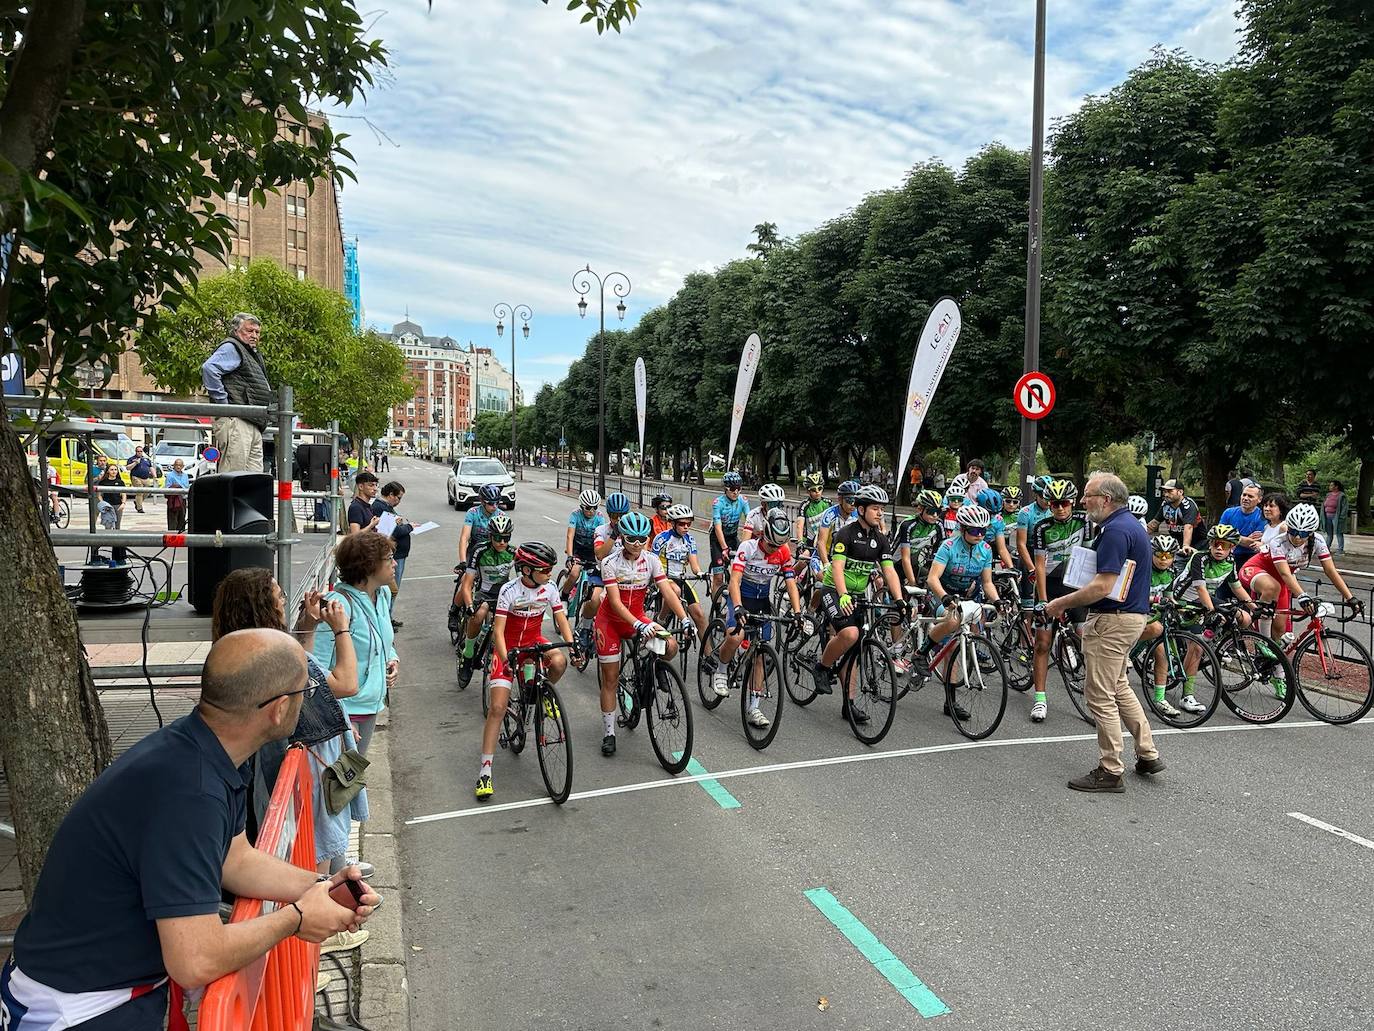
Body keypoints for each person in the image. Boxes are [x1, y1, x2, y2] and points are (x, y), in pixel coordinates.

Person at [3, 628, 378, 1029]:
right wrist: (298, 919)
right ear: (279, 708)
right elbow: (195, 959)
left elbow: (235, 861)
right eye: (307, 690)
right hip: (80, 1008)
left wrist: (321, 886)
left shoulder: (209, 750)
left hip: (103, 988)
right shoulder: (192, 793)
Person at [210, 570, 366, 905]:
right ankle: (323, 921)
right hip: (302, 774)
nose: (285, 600)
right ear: (263, 607)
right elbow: (345, 682)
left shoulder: (240, 651)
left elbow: (303, 676)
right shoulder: (276, 655)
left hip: (271, 769)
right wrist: (341, 628)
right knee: (313, 850)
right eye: (279, 596)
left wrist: (306, 624)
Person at [1044, 472, 1163, 793]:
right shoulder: (1131, 526)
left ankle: (1110, 770)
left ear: (1106, 499)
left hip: (1112, 620)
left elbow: (1102, 585)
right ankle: (1148, 752)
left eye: (1087, 495)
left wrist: (1059, 603)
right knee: (1119, 686)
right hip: (1130, 617)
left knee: (1098, 695)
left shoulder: (1113, 531)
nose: (1082, 501)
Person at [475, 542, 576, 801]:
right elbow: (498, 631)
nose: (550, 574)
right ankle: (485, 772)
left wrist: (571, 643)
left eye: (551, 569)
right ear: (527, 570)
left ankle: (541, 695)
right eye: (545, 570)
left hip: (533, 641)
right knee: (497, 708)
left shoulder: (550, 588)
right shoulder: (509, 590)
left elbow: (561, 618)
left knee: (559, 661)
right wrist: (505, 656)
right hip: (508, 646)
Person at [594, 511, 687, 756]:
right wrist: (639, 625)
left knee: (671, 646)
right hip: (611, 622)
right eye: (631, 539)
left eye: (642, 539)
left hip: (638, 617)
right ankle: (609, 732)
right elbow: (614, 602)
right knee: (611, 678)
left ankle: (651, 668)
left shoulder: (652, 560)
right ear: (622, 538)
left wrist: (685, 619)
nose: (637, 544)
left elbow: (667, 591)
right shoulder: (609, 563)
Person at [811, 485, 905, 723]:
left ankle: (849, 704)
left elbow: (890, 572)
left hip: (858, 594)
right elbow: (839, 569)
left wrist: (899, 599)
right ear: (861, 509)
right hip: (834, 590)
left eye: (882, 509)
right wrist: (842, 595)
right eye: (875, 508)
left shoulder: (881, 540)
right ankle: (822, 667)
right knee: (851, 633)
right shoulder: (845, 534)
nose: (879, 513)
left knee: (854, 650)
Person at [311, 532, 398, 782]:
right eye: (389, 558)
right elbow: (317, 667)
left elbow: (383, 638)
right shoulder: (339, 605)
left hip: (370, 706)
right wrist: (340, 718)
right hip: (347, 713)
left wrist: (391, 659)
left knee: (350, 782)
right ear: (369, 565)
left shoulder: (380, 596)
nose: (394, 564)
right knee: (338, 786)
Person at [712, 511, 803, 725]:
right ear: (763, 535)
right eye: (771, 545)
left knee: (760, 655)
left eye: (778, 546)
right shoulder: (748, 548)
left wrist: (798, 612)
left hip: (762, 602)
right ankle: (721, 669)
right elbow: (734, 580)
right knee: (735, 637)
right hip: (742, 598)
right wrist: (738, 607)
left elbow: (791, 583)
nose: (774, 550)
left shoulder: (782, 552)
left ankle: (753, 708)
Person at [911, 504, 1002, 716]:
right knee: (952, 621)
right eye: (974, 531)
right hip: (939, 592)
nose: (980, 535)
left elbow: (987, 583)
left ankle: (949, 703)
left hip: (964, 596)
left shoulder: (985, 550)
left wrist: (997, 601)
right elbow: (933, 578)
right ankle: (921, 653)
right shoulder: (949, 546)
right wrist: (944, 597)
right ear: (962, 529)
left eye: (983, 531)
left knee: (959, 643)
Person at [1238, 502, 1363, 647]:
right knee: (1272, 587)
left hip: (1281, 581)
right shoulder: (1279, 542)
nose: (1297, 537)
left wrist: (1350, 597)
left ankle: (1278, 667)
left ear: (1311, 532)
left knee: (1279, 629)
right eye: (1293, 531)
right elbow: (1285, 573)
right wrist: (1302, 596)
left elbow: (1330, 571)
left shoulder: (1317, 540)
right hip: (1255, 569)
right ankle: (1262, 643)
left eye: (1303, 534)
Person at [201, 312, 272, 474]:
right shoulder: (232, 347)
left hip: (252, 421)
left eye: (257, 332)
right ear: (236, 331)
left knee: (252, 479)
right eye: (249, 331)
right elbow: (209, 369)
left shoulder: (248, 352)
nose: (254, 335)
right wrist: (224, 407)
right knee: (233, 476)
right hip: (238, 420)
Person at [456, 515, 516, 688]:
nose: (502, 542)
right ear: (490, 536)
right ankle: (468, 654)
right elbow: (467, 584)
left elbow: (521, 583)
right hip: (484, 593)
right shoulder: (479, 550)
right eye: (497, 537)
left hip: (504, 595)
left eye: (506, 538)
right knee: (479, 613)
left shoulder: (513, 552)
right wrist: (468, 606)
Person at [372, 481, 412, 629]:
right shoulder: (380, 507)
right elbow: (393, 531)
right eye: (398, 498)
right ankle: (385, 619)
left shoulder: (386, 507)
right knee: (391, 589)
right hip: (394, 554)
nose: (399, 501)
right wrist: (409, 527)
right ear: (390, 495)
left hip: (398, 553)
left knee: (393, 588)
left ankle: (388, 616)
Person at [709, 472, 750, 594]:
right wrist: (724, 548)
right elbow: (717, 527)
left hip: (732, 537)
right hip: (718, 539)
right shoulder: (718, 503)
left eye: (739, 489)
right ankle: (717, 611)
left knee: (741, 571)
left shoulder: (742, 500)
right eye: (732, 489)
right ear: (726, 489)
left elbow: (749, 521)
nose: (736, 492)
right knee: (718, 578)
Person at [1218, 483, 1266, 566]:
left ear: (1259, 499)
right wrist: (1245, 539)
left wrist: (1230, 535)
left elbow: (1253, 544)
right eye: (1244, 495)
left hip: (1251, 557)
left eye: (1250, 496)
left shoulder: (1262, 517)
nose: (1245, 498)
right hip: (1227, 554)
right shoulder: (1228, 513)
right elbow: (1219, 535)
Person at [1150, 479, 1202, 553]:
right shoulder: (1166, 504)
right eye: (1165, 491)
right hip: (1177, 544)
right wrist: (1140, 534)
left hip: (1197, 544)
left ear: (1180, 492)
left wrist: (1185, 545)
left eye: (1170, 491)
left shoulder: (1188, 505)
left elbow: (1188, 527)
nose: (1166, 494)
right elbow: (1154, 523)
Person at [458, 483, 503, 562]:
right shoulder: (473, 513)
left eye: (497, 502)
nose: (495, 506)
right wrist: (462, 562)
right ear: (482, 501)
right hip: (474, 548)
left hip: (493, 550)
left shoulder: (501, 515)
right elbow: (464, 538)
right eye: (491, 503)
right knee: (466, 573)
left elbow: (503, 541)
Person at [125, 446, 156, 514]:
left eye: (141, 451)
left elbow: (151, 467)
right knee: (140, 491)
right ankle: (140, 508)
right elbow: (128, 468)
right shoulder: (132, 459)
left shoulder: (146, 459)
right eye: (138, 451)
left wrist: (155, 476)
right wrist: (135, 463)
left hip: (146, 478)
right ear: (136, 452)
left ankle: (137, 502)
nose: (139, 452)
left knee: (147, 492)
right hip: (136, 477)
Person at [97, 462, 126, 530]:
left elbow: (123, 493)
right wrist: (103, 504)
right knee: (108, 525)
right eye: (112, 469)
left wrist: (123, 503)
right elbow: (99, 495)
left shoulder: (120, 482)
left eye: (115, 470)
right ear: (108, 471)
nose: (114, 471)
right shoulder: (103, 482)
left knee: (117, 525)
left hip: (118, 505)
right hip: (107, 506)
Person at [163, 458, 189, 533]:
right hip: (173, 501)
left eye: (180, 465)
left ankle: (181, 538)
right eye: (177, 465)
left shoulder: (185, 475)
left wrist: (179, 486)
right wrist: (177, 486)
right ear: (173, 466)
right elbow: (167, 489)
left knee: (182, 520)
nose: (178, 467)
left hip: (183, 500)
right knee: (172, 521)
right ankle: (172, 539)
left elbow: (186, 487)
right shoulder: (170, 475)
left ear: (183, 466)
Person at [1323, 480, 1348, 553]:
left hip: (1336, 517)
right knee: (1329, 533)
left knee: (1339, 533)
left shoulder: (1341, 495)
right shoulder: (1328, 495)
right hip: (1327, 516)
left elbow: (1344, 507)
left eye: (1331, 485)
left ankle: (1340, 549)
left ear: (1336, 487)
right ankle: (1327, 548)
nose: (1330, 487)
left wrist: (1341, 517)